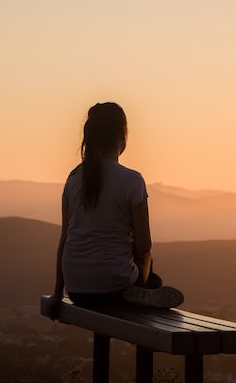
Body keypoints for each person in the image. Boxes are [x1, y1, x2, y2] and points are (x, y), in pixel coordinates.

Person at [45, 102, 183, 319]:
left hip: (77, 290)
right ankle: (146, 289)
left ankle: (143, 289)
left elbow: (65, 239)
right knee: (150, 268)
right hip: (115, 288)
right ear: (122, 135)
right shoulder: (132, 180)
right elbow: (144, 246)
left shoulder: (73, 178)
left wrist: (57, 294)